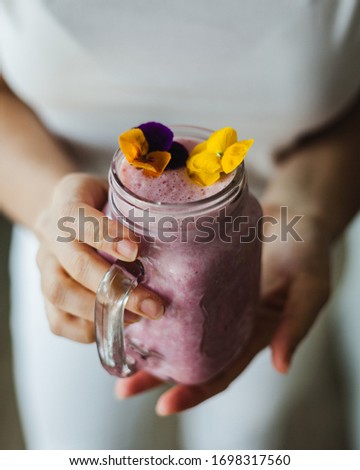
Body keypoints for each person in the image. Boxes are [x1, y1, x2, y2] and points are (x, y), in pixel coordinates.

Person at [1, 0, 359, 449]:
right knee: (76, 447)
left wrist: (314, 208)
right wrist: (45, 204)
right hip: (72, 253)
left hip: (280, 248)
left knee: (247, 440)